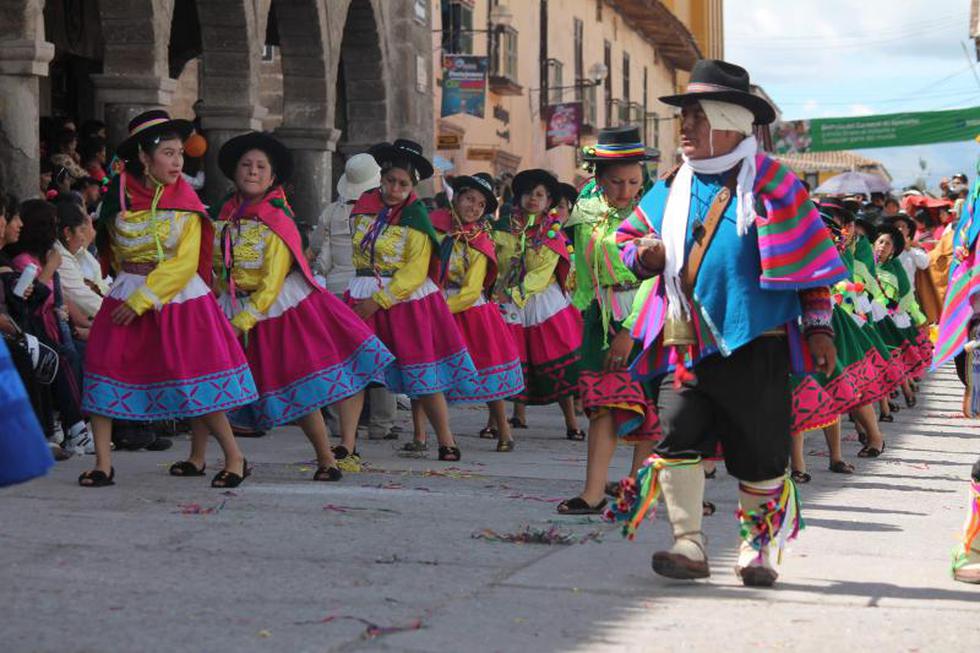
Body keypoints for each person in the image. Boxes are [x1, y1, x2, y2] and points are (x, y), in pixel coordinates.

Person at [608, 60, 847, 587]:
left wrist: (819, 326)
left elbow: (812, 266)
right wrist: (643, 256)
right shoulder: (669, 185)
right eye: (684, 117)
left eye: (696, 117)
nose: (685, 128)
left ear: (730, 122)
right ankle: (688, 544)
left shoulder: (775, 185)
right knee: (676, 437)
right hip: (683, 339)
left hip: (756, 342)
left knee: (760, 449)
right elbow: (626, 241)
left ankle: (756, 551)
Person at [79, 110, 257, 488]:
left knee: (193, 376)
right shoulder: (118, 196)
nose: (178, 162)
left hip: (177, 298)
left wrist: (142, 299)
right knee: (102, 366)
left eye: (180, 154)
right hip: (125, 291)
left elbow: (185, 263)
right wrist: (125, 288)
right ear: (144, 157)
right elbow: (108, 245)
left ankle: (234, 457)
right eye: (168, 153)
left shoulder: (186, 201)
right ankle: (103, 463)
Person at [211, 132, 394, 481]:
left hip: (276, 309)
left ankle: (326, 457)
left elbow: (273, 279)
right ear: (234, 172)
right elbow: (219, 265)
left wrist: (244, 319)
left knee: (300, 387)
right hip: (233, 305)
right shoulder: (225, 216)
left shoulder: (278, 219)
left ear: (273, 176)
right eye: (246, 165)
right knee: (213, 382)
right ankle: (221, 457)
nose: (252, 171)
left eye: (260, 166)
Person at [346, 139, 476, 464]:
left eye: (403, 184)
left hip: (405, 301)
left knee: (422, 373)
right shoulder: (363, 206)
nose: (394, 188)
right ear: (381, 179)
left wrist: (379, 300)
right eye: (390, 181)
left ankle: (446, 441)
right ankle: (345, 445)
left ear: (412, 186)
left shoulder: (417, 216)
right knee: (355, 372)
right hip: (363, 290)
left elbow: (416, 269)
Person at [557, 126, 661, 515]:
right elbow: (582, 264)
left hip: (643, 314)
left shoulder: (651, 214)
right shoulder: (585, 210)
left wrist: (630, 331)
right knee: (601, 404)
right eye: (616, 181)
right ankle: (593, 491)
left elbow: (657, 278)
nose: (625, 189)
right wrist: (586, 309)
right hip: (600, 314)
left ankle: (637, 489)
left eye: (633, 181)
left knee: (641, 402)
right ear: (599, 178)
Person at [409, 173, 524, 453]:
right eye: (469, 199)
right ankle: (420, 434)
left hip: (467, 310)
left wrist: (440, 311)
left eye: (481, 204)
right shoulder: (432, 227)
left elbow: (473, 289)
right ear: (456, 198)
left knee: (486, 370)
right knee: (425, 369)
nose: (473, 207)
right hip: (432, 299)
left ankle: (504, 430)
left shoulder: (480, 241)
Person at [492, 169, 584, 438]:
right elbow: (494, 262)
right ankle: (502, 420)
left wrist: (515, 293)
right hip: (505, 299)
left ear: (548, 202)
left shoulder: (552, 235)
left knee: (553, 360)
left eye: (540, 195)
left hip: (542, 303)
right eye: (529, 193)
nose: (533, 198)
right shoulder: (503, 228)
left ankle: (571, 422)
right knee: (509, 357)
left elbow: (542, 273)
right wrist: (496, 290)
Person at [4, 199, 93, 455]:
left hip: (53, 327)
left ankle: (85, 423)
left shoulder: (46, 259)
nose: (55, 232)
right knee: (61, 357)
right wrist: (50, 268)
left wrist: (88, 323)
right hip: (32, 327)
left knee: (81, 351)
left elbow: (62, 298)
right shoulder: (23, 261)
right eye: (49, 226)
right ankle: (73, 426)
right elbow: (26, 304)